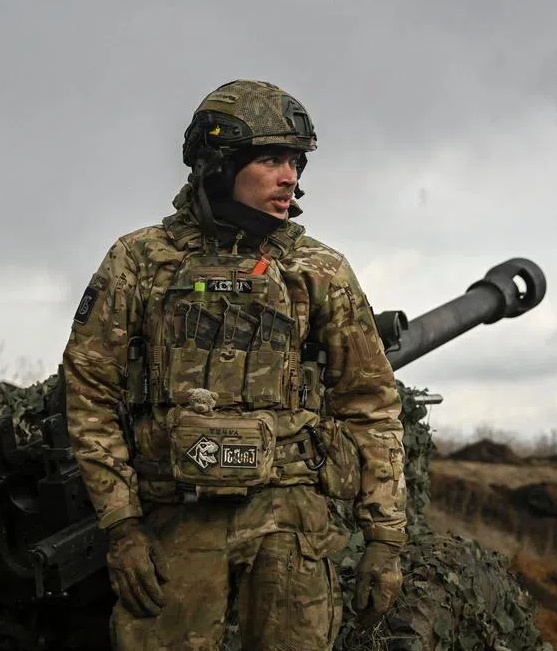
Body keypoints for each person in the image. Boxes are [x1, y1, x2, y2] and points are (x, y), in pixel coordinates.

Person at [64, 79, 407, 651]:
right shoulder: (140, 260)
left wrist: (385, 539)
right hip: (175, 519)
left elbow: (369, 401)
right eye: (271, 160)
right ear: (219, 164)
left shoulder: (318, 269)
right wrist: (121, 526)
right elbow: (90, 392)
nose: (290, 177)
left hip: (291, 524)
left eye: (296, 162)